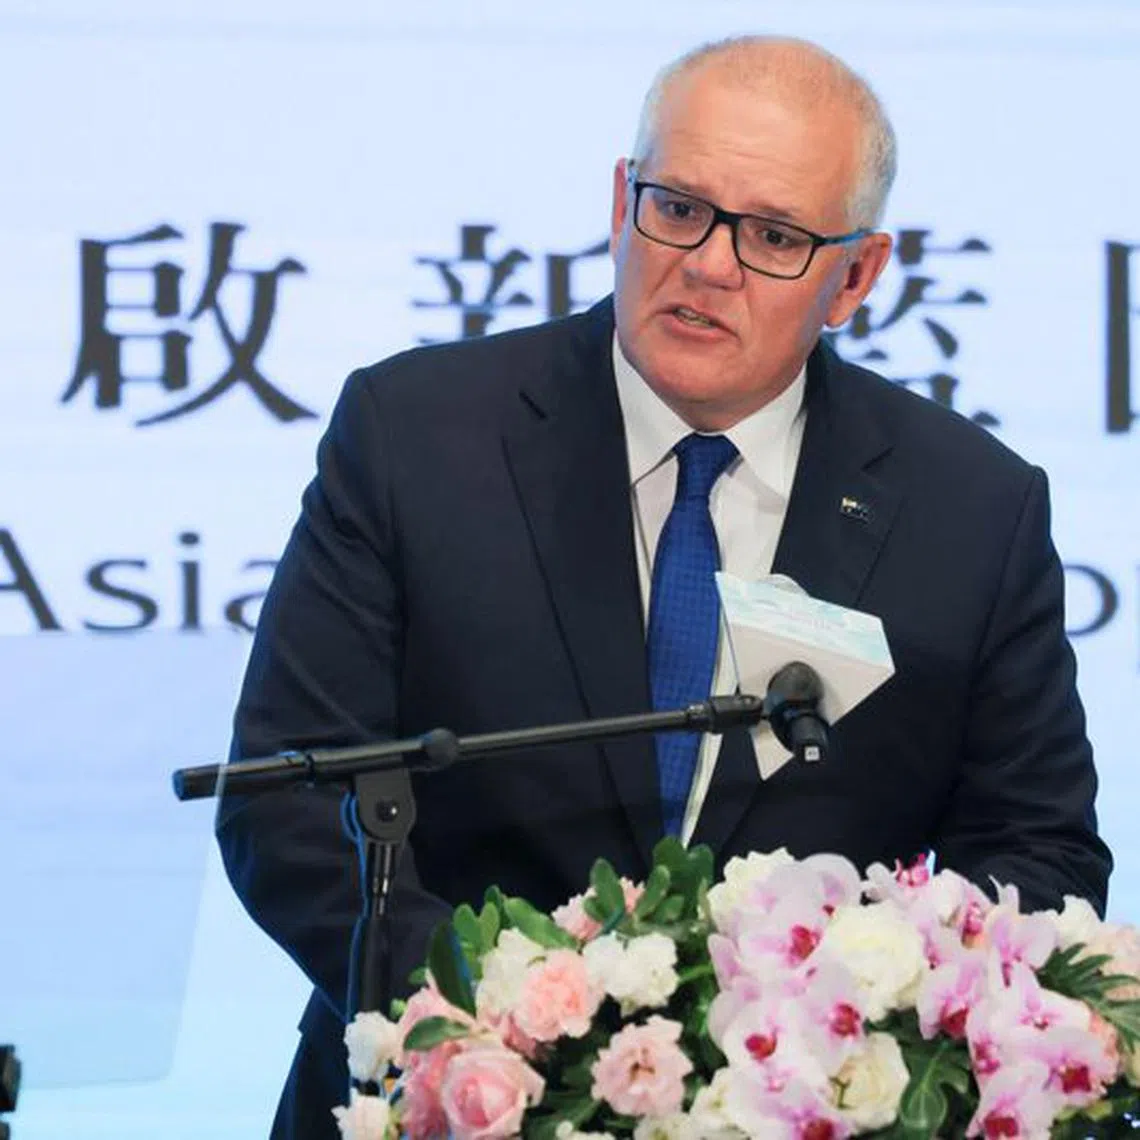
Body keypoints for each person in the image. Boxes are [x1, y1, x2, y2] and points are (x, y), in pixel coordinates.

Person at [217, 35, 1112, 1139]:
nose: (710, 263)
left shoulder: (973, 509)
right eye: (678, 207)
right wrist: (510, 1026)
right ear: (619, 200)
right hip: (451, 1104)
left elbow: (1039, 852)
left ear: (858, 275)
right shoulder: (416, 438)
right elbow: (285, 796)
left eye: (775, 235)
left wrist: (847, 1039)